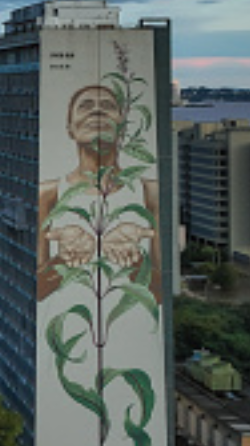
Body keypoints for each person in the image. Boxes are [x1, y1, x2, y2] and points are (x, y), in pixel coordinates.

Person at [37, 84, 160, 301]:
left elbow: (161, 294)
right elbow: (34, 292)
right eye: (85, 106)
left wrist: (135, 261)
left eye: (107, 106)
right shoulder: (47, 195)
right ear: (70, 128)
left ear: (122, 127)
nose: (97, 110)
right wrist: (64, 260)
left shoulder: (151, 193)